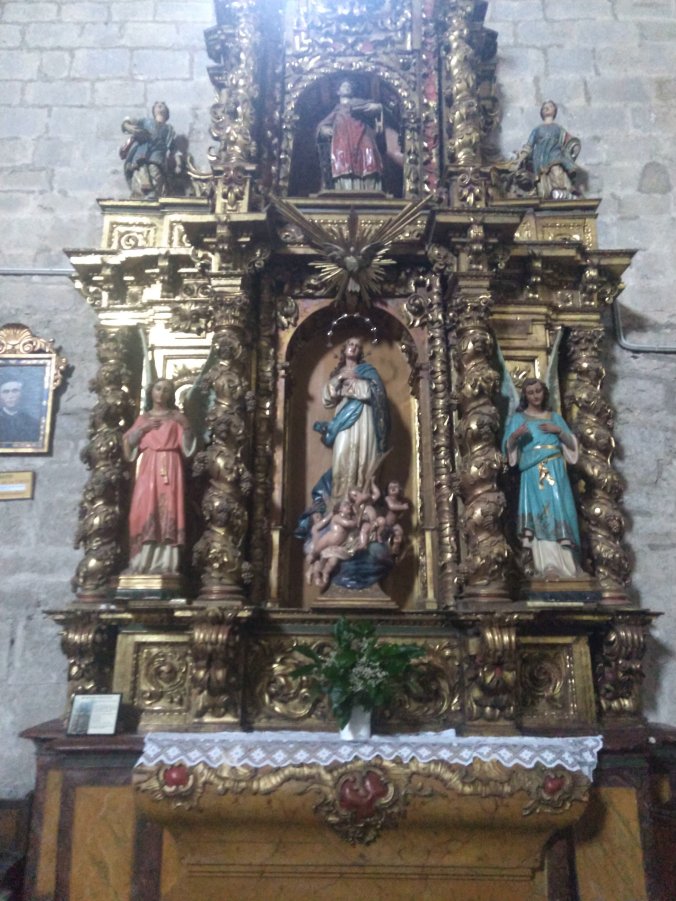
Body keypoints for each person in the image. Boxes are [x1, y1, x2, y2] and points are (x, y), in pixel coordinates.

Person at [502, 378, 581, 580]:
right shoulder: (519, 419)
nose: (535, 396)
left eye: (538, 391)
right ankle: (549, 565)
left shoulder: (555, 417)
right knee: (541, 513)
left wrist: (559, 431)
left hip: (556, 470)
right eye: (531, 392)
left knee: (560, 509)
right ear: (525, 396)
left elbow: (572, 445)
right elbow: (507, 448)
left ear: (544, 392)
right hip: (533, 472)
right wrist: (514, 437)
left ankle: (569, 565)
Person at [123, 379, 195, 575]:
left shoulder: (176, 418)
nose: (161, 393)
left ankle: (166, 563)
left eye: (166, 390)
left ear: (171, 395)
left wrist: (186, 425)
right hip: (148, 466)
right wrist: (142, 430)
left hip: (171, 465)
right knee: (142, 509)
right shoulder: (144, 418)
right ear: (151, 391)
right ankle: (141, 561)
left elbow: (188, 448)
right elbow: (128, 443)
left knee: (168, 510)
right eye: (158, 388)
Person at [313, 336, 390, 506]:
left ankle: (363, 503)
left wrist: (352, 385)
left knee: (364, 457)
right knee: (341, 456)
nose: (353, 347)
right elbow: (328, 398)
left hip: (365, 419)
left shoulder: (368, 371)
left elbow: (375, 393)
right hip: (343, 421)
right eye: (350, 344)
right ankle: (339, 503)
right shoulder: (337, 374)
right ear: (344, 348)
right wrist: (341, 378)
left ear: (360, 352)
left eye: (357, 346)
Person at [317, 80, 384, 191]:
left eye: (349, 86)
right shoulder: (337, 110)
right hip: (343, 141)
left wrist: (377, 107)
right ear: (338, 92)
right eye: (344, 86)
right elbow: (323, 125)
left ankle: (370, 190)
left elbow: (376, 109)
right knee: (343, 162)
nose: (347, 87)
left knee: (369, 159)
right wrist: (324, 130)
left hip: (363, 136)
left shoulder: (360, 103)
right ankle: (345, 190)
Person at [517, 100, 580, 200]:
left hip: (555, 154)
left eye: (549, 106)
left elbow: (569, 140)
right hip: (541, 157)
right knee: (543, 179)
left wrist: (575, 146)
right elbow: (529, 145)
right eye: (544, 107)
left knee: (556, 169)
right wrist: (521, 157)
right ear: (541, 112)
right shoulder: (537, 130)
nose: (546, 108)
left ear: (554, 111)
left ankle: (562, 190)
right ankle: (551, 192)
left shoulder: (558, 129)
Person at [120, 101, 177, 199]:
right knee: (139, 175)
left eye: (163, 105)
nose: (160, 106)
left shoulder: (169, 129)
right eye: (157, 105)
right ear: (153, 111)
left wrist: (176, 161)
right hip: (142, 153)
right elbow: (127, 122)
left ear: (167, 112)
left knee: (156, 175)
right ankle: (140, 196)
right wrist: (129, 127)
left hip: (157, 156)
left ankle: (153, 196)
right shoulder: (146, 121)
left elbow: (172, 148)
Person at [0, 375, 40, 443]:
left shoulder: (32, 423)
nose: (10, 396)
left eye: (15, 391)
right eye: (6, 392)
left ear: (22, 394)